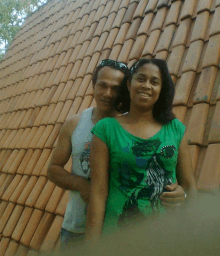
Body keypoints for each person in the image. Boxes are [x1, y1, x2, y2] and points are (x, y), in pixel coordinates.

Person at [47, 59, 187, 249]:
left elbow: (165, 173)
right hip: (78, 225)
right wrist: (81, 185)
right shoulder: (75, 124)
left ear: (124, 89)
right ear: (93, 85)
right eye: (102, 86)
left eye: (115, 88)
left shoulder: (134, 125)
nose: (108, 94)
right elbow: (53, 169)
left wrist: (180, 192)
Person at [86, 59, 196, 242]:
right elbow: (97, 194)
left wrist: (182, 196)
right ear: (129, 84)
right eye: (141, 79)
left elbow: (190, 186)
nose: (146, 86)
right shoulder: (106, 129)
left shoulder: (175, 129)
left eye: (154, 82)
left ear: (161, 90)